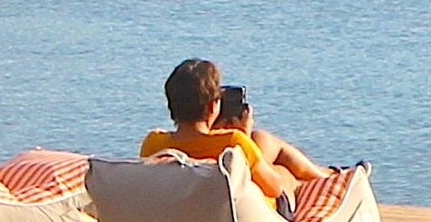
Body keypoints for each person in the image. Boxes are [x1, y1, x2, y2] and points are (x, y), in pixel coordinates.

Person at [140, 58, 329, 200]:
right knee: (282, 172)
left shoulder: (154, 143)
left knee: (262, 138)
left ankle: (325, 174)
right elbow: (275, 189)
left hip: (189, 207)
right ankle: (327, 178)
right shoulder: (232, 142)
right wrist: (243, 136)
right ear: (212, 107)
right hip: (250, 209)